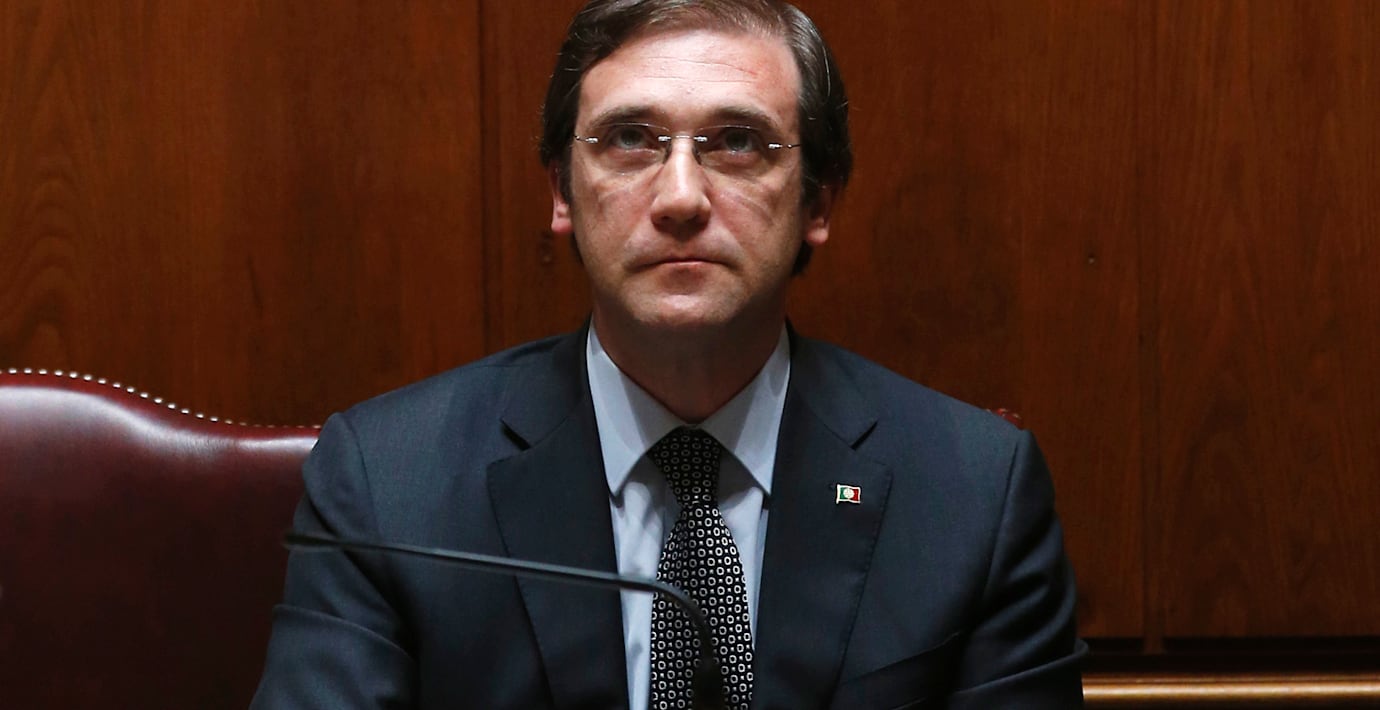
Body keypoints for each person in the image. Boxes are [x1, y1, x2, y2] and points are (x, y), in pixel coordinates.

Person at [252, 0, 1085, 707]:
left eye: (738, 143)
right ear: (562, 192)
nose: (681, 197)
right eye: (629, 139)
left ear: (819, 202)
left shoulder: (975, 495)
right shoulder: (387, 484)